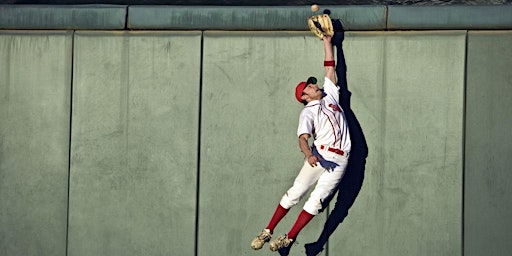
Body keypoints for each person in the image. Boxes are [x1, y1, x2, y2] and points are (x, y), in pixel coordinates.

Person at [250, 19, 350, 254]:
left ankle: (289, 238)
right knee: (294, 193)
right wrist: (308, 155)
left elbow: (330, 68)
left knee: (316, 202)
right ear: (304, 96)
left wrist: (328, 42)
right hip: (319, 155)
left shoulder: (331, 97)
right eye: (309, 86)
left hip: (340, 161)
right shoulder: (308, 112)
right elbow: (303, 138)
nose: (314, 85)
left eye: (312, 84)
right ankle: (268, 230)